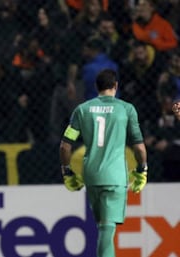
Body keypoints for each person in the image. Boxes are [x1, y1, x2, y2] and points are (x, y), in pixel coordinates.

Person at [59, 69, 148, 257]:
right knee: (107, 230)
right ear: (115, 86)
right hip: (114, 175)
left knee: (103, 227)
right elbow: (139, 148)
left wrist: (67, 171)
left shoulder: (82, 110)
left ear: (96, 87)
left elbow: (65, 147)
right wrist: (142, 169)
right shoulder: (126, 109)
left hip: (91, 173)